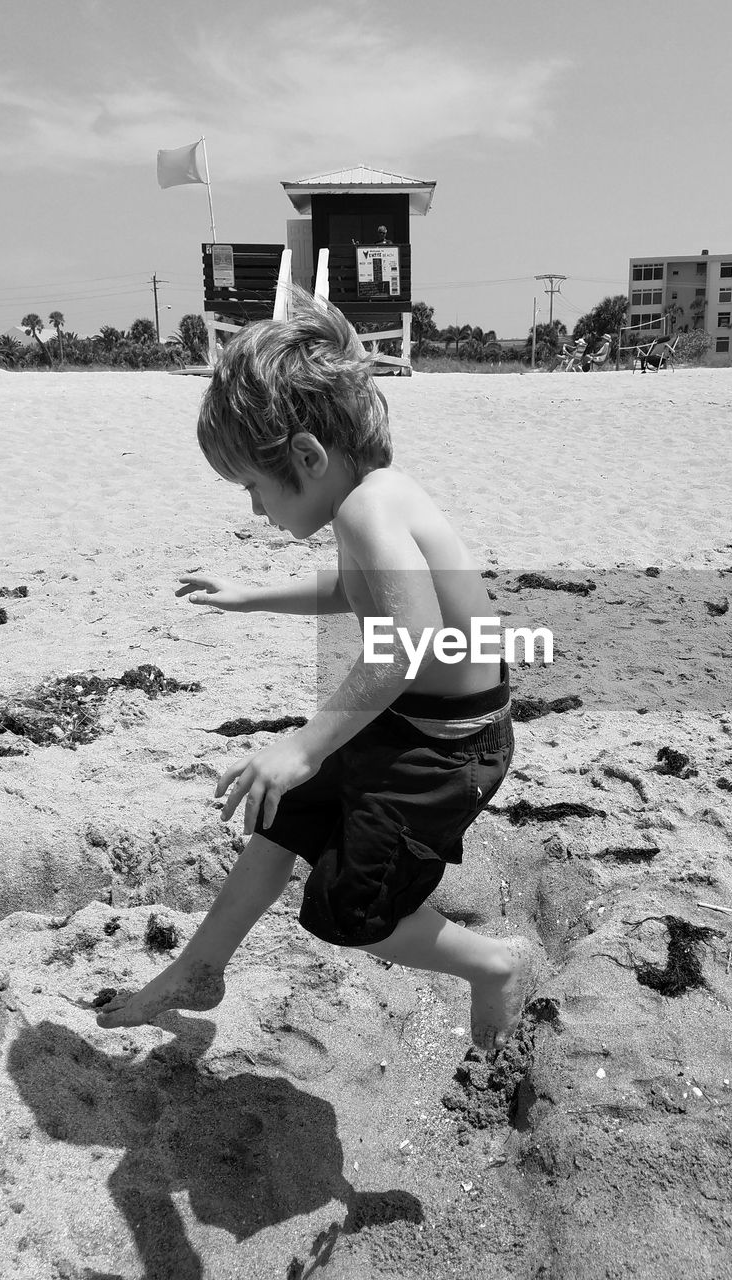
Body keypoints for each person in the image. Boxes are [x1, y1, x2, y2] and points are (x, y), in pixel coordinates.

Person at [96, 292, 540, 1054]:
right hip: (413, 718)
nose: (255, 508)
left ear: (306, 457)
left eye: (253, 488)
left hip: (447, 746)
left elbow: (409, 638)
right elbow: (350, 592)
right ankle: (199, 969)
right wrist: (252, 596)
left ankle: (492, 966)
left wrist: (304, 744)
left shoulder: (373, 507)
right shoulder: (364, 503)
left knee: (352, 912)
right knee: (282, 809)